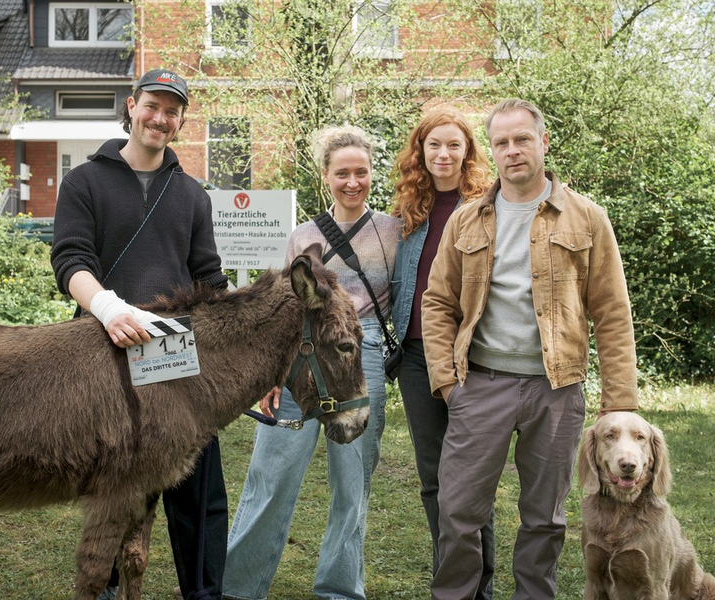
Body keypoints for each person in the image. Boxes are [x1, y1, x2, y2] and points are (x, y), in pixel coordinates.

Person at [421, 98, 638, 600]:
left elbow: (612, 312)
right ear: (491, 150)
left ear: (543, 142)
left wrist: (620, 401)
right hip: (480, 385)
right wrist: (448, 384)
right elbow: (437, 303)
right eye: (501, 142)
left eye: (522, 139)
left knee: (544, 518)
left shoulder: (587, 218)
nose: (512, 150)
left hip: (556, 391)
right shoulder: (467, 219)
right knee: (458, 512)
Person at [51, 69, 231, 600]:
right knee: (114, 483)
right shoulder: (84, 182)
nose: (160, 118)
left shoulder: (193, 195)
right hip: (105, 355)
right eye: (152, 105)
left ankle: (203, 593)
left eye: (172, 111)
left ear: (181, 121)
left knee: (199, 493)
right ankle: (105, 585)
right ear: (131, 106)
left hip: (178, 357)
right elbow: (70, 260)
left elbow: (209, 279)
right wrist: (107, 308)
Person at [222, 124, 399, 600]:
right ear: (326, 176)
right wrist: (272, 372)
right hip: (300, 360)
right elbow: (285, 307)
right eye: (342, 173)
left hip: (361, 358)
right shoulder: (303, 235)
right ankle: (237, 587)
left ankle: (340, 590)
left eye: (361, 172)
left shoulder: (393, 231)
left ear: (371, 173)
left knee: (351, 484)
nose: (352, 182)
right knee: (271, 474)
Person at [389, 107, 495, 599]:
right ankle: (452, 582)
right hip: (416, 358)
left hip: (473, 358)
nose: (443, 154)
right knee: (433, 478)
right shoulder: (409, 210)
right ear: (421, 151)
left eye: (454, 144)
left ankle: (480, 587)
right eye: (434, 144)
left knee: (471, 480)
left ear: (468, 151)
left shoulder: (489, 207)